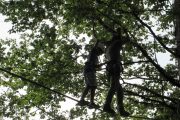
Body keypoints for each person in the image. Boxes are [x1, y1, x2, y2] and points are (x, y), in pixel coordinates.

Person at [103, 28, 130, 117]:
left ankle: (120, 109)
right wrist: (125, 31)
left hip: (110, 67)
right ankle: (107, 105)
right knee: (114, 86)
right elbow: (127, 40)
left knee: (119, 89)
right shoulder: (116, 42)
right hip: (115, 66)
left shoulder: (108, 48)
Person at [77, 41, 104, 109]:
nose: (100, 54)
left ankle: (82, 100)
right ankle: (91, 102)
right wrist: (98, 41)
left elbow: (96, 66)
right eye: (100, 52)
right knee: (93, 86)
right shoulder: (93, 52)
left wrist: (102, 64)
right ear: (98, 49)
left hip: (88, 70)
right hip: (90, 70)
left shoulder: (95, 57)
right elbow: (94, 48)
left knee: (89, 86)